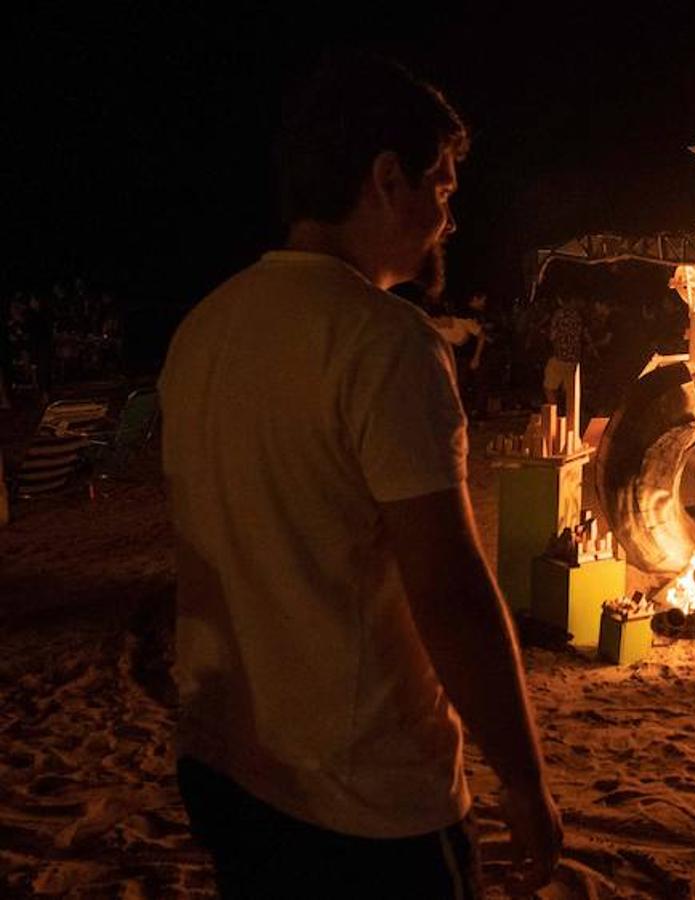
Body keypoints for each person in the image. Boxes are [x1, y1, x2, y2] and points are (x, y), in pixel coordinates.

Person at [158, 53, 561, 898]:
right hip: (364, 803)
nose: (449, 219)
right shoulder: (386, 344)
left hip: (229, 765)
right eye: (442, 190)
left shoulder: (204, 329)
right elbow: (449, 592)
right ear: (386, 179)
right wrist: (523, 779)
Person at [542, 294, 585, 410]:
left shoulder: (558, 315)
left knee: (549, 387)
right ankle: (571, 416)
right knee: (570, 391)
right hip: (574, 357)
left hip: (559, 356)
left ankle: (553, 414)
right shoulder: (577, 316)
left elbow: (552, 335)